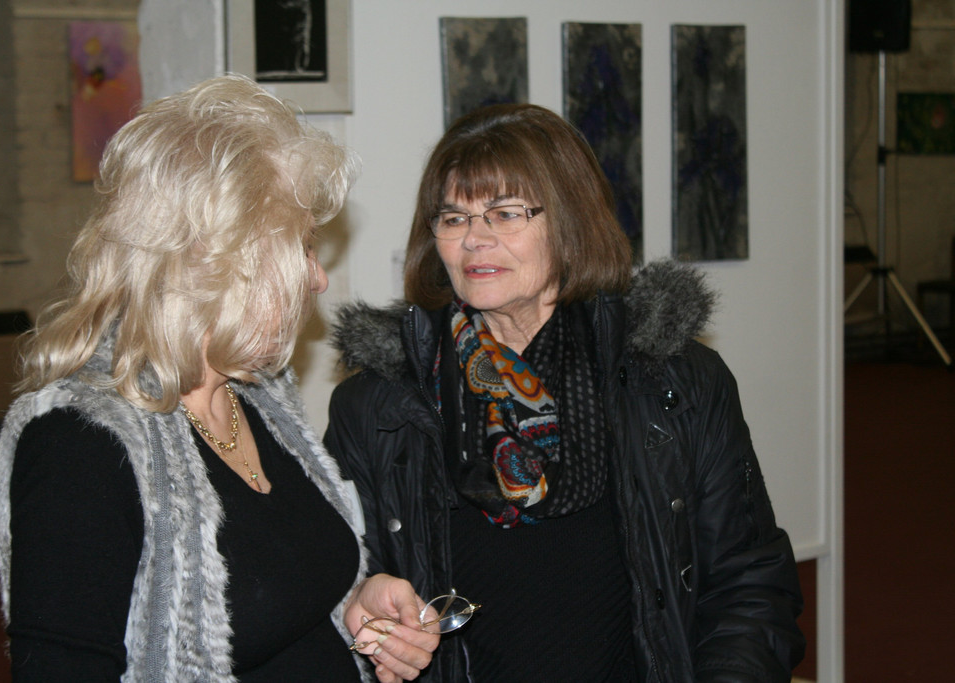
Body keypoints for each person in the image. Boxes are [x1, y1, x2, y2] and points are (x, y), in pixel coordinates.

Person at [324, 103, 805, 682]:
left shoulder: (674, 383)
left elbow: (749, 587)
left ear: (572, 224)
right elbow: (334, 589)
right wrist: (366, 618)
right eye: (453, 218)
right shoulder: (378, 406)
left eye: (505, 213)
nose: (474, 239)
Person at [0, 74, 437, 682]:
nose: (318, 277)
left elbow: (275, 594)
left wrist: (355, 603)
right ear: (217, 259)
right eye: (302, 247)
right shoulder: (79, 442)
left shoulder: (260, 397)